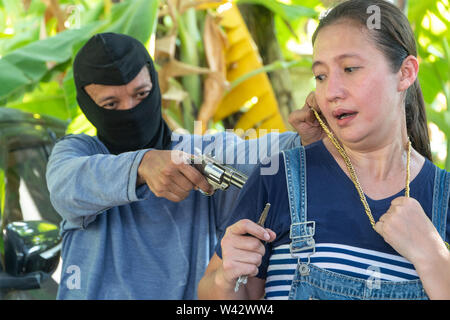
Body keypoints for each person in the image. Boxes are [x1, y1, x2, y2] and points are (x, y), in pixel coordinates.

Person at [198, 0, 450, 300]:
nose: (331, 92)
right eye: (320, 76)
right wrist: (227, 278)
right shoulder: (280, 178)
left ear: (406, 73)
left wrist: (433, 257)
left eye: (350, 68)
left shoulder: (443, 196)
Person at [45, 32, 316, 299]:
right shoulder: (78, 153)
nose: (131, 110)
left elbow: (257, 154)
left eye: (141, 94)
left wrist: (303, 140)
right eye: (111, 104)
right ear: (88, 106)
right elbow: (65, 187)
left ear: (155, 86)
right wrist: (142, 164)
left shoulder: (198, 153)